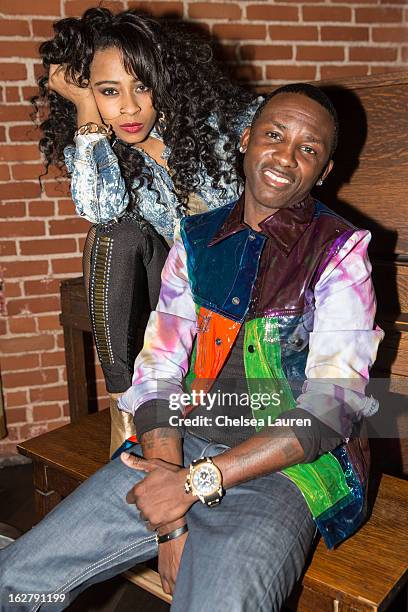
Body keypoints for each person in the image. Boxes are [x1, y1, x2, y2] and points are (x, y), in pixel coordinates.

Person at [0, 84, 383, 612]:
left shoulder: (341, 251)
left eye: (308, 148)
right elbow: (158, 365)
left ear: (324, 170)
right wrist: (172, 523)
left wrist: (195, 483)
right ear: (246, 140)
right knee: (17, 579)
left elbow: (332, 407)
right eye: (274, 135)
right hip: (176, 446)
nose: (286, 156)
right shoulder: (196, 237)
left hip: (285, 471)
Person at [35, 6, 260, 455]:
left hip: (245, 287)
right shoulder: (112, 151)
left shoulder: (216, 126)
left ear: (164, 80)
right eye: (108, 91)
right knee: (113, 234)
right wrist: (84, 110)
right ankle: (124, 401)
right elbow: (100, 210)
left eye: (142, 85)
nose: (130, 107)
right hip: (176, 295)